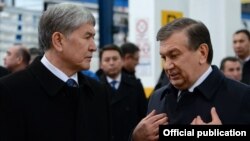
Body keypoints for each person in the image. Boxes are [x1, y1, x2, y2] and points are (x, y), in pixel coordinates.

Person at [0, 3, 111, 141]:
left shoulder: (98, 92)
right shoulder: (10, 91)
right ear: (58, 40)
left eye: (93, 37)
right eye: (87, 37)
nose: (94, 47)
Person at [131, 17, 250, 141]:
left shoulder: (242, 97)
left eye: (174, 55)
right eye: (164, 58)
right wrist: (136, 137)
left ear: (202, 53)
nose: (167, 65)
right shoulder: (157, 98)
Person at [99, 44, 147, 141]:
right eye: (107, 60)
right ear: (101, 65)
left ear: (122, 61)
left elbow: (144, 115)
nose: (111, 63)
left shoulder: (135, 86)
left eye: (115, 59)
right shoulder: (94, 88)